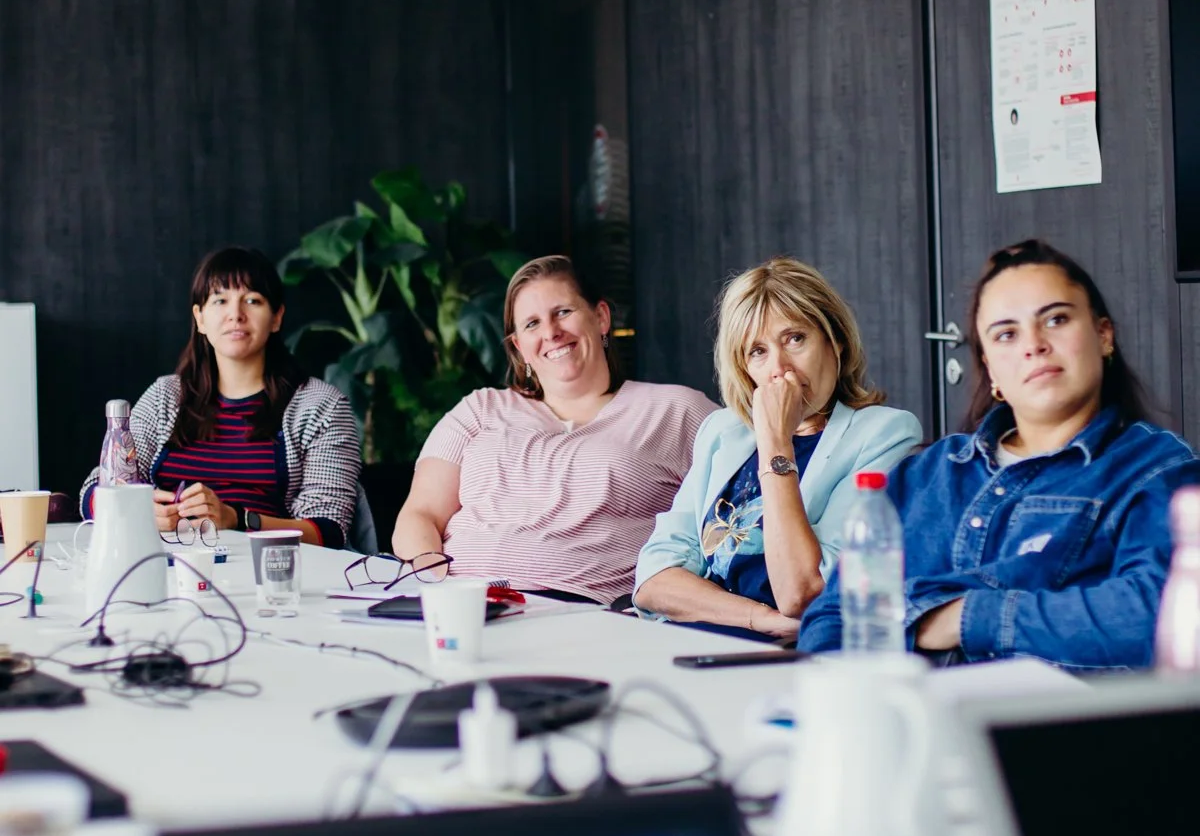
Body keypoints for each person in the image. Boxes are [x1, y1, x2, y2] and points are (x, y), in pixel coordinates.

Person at [798, 238, 1200, 670]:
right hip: (910, 708)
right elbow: (830, 622)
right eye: (1007, 333)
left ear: (1103, 335)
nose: (1034, 344)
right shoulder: (926, 475)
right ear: (990, 367)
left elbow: (1157, 615)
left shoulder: (1157, 469)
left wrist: (966, 617)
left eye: (1056, 319)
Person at [391, 255, 715, 605]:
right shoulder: (479, 409)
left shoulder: (677, 410)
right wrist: (438, 590)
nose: (550, 332)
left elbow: (745, 504)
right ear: (519, 347)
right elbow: (420, 515)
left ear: (601, 318)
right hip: (459, 601)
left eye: (563, 312)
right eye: (532, 324)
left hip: (583, 609)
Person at [633, 258, 922, 639]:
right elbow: (653, 580)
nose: (779, 368)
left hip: (789, 654)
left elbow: (803, 591)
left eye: (795, 339)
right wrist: (758, 617)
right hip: (705, 637)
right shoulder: (722, 430)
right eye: (758, 351)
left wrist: (775, 442)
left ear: (835, 341)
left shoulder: (885, 434)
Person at [81, 246, 360, 547]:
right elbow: (94, 491)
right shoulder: (165, 397)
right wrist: (135, 509)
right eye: (220, 300)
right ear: (199, 318)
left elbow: (329, 530)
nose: (235, 315)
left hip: (266, 566)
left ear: (276, 317)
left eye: (252, 300)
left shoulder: (321, 406)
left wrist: (238, 519)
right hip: (165, 561)